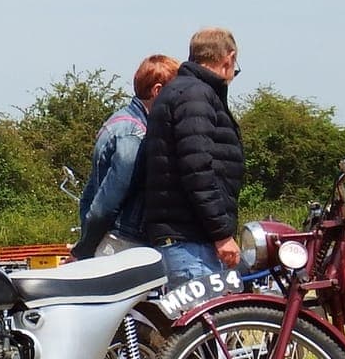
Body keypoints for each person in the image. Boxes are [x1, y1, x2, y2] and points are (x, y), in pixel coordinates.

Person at [140, 26, 246, 286]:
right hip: (192, 243)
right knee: (207, 325)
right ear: (228, 58)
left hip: (180, 238)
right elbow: (197, 169)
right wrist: (221, 234)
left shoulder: (180, 91)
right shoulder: (197, 96)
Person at [72, 54, 180, 259]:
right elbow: (106, 202)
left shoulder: (121, 122)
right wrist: (85, 248)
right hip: (121, 244)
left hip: (115, 241)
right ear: (157, 91)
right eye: (175, 92)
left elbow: (90, 194)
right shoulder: (133, 134)